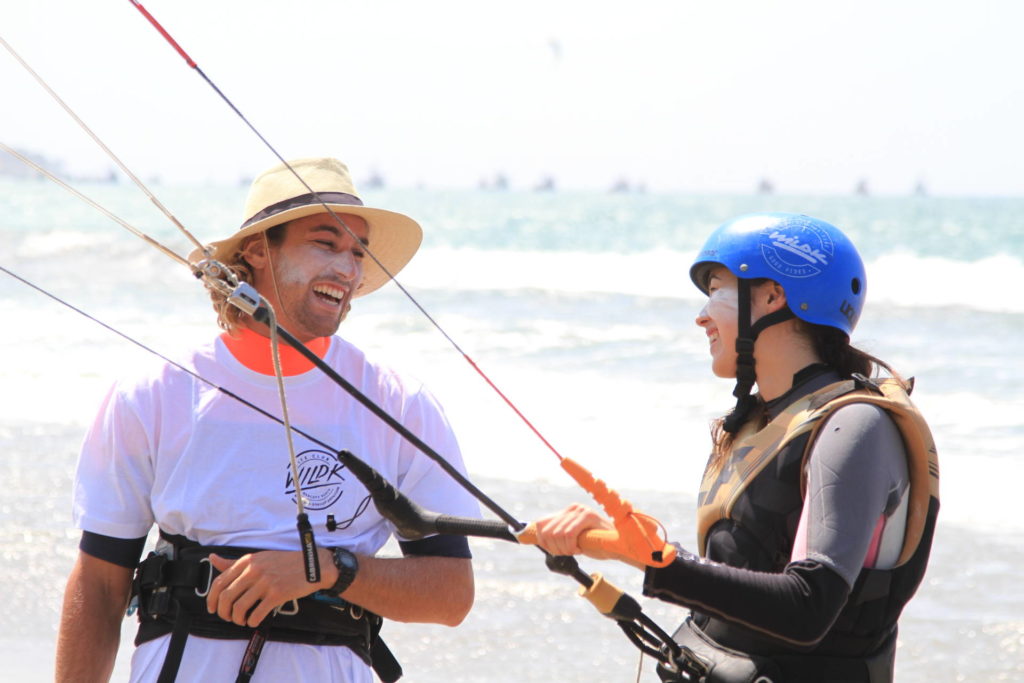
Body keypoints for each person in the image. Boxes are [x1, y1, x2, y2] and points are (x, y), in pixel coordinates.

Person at [55, 157, 479, 683]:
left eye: (358, 252)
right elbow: (98, 584)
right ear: (257, 250)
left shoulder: (399, 402)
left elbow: (451, 595)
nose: (348, 269)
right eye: (326, 243)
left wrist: (326, 570)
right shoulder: (154, 393)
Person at [533, 213, 939, 682]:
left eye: (718, 291)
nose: (701, 315)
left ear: (773, 296)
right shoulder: (761, 423)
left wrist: (654, 559)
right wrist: (618, 542)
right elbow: (739, 580)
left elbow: (808, 607)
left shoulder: (854, 425)